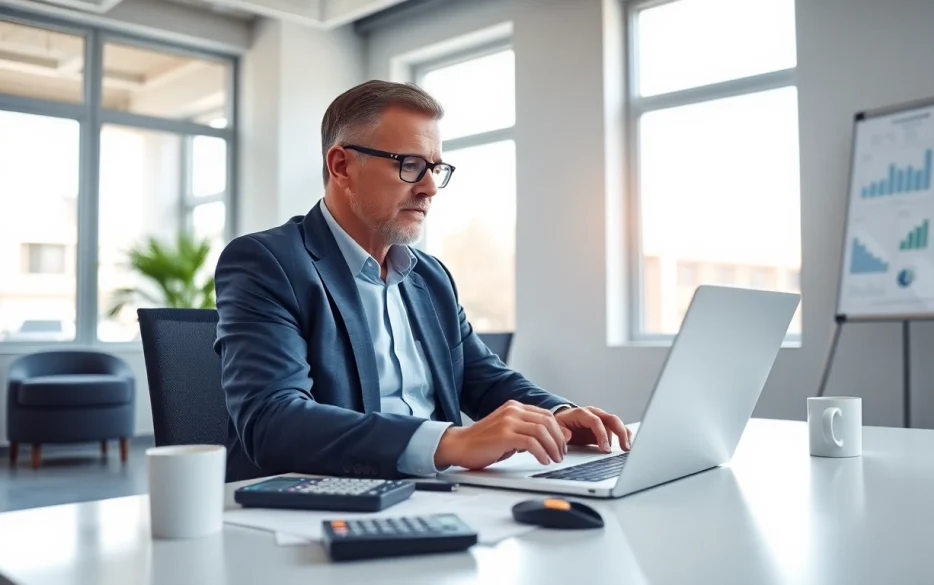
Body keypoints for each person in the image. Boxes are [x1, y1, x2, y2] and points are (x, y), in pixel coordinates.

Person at [214, 80, 632, 481]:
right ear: (341, 166)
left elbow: (481, 375)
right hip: (320, 508)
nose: (431, 187)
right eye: (410, 165)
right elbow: (273, 421)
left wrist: (557, 415)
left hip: (439, 493)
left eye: (435, 168)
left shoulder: (429, 276)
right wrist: (449, 443)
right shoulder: (268, 263)